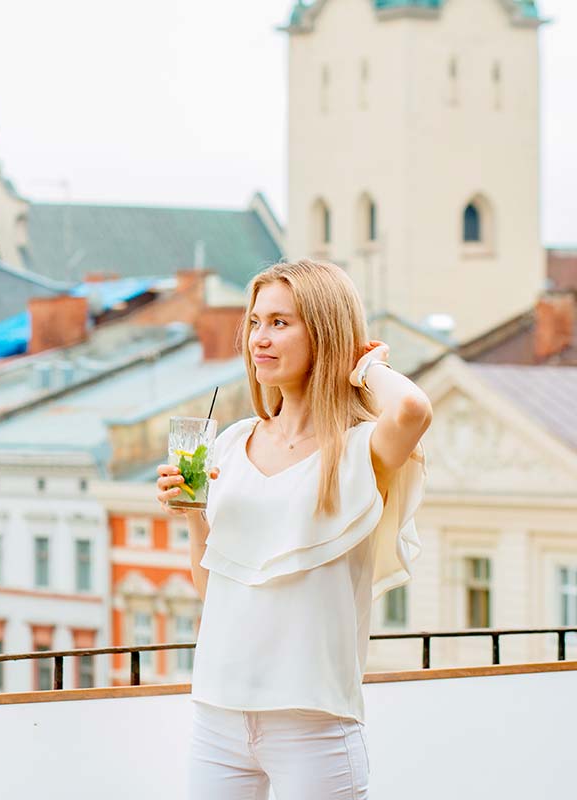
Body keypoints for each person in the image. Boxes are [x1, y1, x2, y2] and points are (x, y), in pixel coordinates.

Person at [155, 259, 432, 798]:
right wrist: (194, 520)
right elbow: (217, 591)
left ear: (325, 333)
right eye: (256, 322)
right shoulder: (230, 444)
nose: (260, 338)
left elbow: (413, 410)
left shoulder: (359, 449)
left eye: (281, 323)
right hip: (218, 717)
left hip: (315, 725)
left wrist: (364, 364)